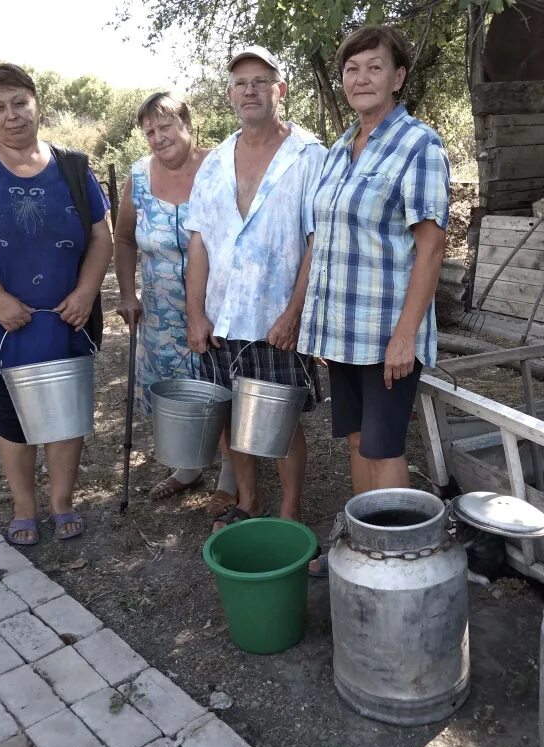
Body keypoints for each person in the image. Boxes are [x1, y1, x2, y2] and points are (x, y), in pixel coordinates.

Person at [0, 64, 112, 545]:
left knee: (66, 414)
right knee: (10, 415)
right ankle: (23, 506)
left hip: (66, 318)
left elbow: (101, 236)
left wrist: (85, 293)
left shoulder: (73, 166)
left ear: (36, 103)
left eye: (19, 102)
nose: (11, 115)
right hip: (3, 325)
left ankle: (61, 502)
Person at [298, 25, 449, 505]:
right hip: (345, 332)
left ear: (398, 77)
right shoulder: (341, 147)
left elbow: (432, 248)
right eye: (352, 68)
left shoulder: (419, 145)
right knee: (357, 442)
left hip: (388, 335)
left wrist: (406, 335)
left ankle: (395, 563)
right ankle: (364, 544)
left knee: (384, 448)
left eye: (375, 67)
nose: (361, 78)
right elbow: (327, 238)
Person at [185, 45, 327, 533]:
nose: (250, 90)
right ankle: (247, 500)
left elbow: (317, 241)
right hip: (220, 312)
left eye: (260, 81)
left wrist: (294, 313)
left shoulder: (309, 156)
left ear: (279, 90)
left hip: (274, 317)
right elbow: (199, 240)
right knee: (228, 415)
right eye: (240, 83)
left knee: (282, 420)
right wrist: (195, 313)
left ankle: (290, 511)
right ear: (230, 95)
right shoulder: (215, 161)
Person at [113, 92, 238, 515]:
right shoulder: (138, 177)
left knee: (220, 389)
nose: (157, 137)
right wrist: (128, 294)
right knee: (175, 394)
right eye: (149, 131)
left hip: (217, 309)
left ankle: (230, 476)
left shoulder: (220, 167)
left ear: (186, 123)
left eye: (164, 126)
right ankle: (188, 467)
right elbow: (125, 238)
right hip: (161, 313)